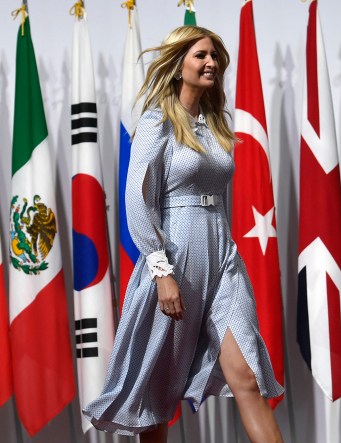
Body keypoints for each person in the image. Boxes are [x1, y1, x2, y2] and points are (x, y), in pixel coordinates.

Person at [83, 26, 284, 443]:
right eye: (201, 55)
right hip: (175, 258)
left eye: (214, 56)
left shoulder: (214, 124)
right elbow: (137, 199)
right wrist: (160, 270)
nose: (211, 63)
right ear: (179, 65)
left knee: (246, 376)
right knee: (156, 397)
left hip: (222, 257)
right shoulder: (157, 120)